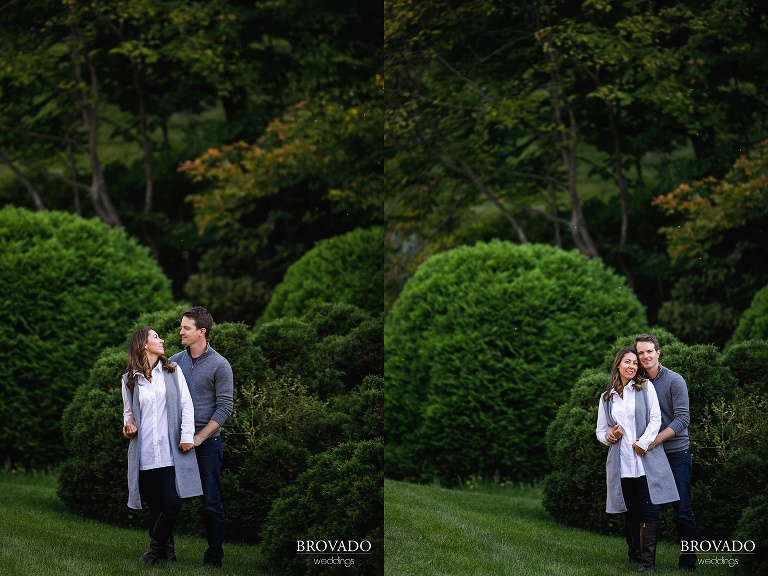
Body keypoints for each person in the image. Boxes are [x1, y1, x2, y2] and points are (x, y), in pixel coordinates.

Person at [121, 327, 203, 565]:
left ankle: (154, 551)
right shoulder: (128, 380)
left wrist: (187, 436)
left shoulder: (173, 371)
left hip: (170, 451)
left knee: (173, 502)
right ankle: (168, 555)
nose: (162, 339)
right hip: (146, 453)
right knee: (155, 506)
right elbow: (128, 415)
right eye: (156, 337)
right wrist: (129, 426)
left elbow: (186, 405)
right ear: (143, 345)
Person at [596, 347, 679, 572]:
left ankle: (648, 563)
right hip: (622, 465)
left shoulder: (645, 387)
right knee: (632, 512)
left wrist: (643, 443)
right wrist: (609, 436)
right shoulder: (607, 397)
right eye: (627, 362)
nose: (632, 366)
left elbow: (655, 419)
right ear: (618, 366)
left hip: (646, 461)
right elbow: (600, 431)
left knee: (650, 510)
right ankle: (640, 558)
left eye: (635, 362)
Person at [170, 306, 234, 569]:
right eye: (182, 326)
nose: (181, 331)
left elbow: (225, 407)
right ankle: (163, 552)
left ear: (201, 332)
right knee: (169, 500)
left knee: (211, 503)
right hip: (178, 442)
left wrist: (199, 437)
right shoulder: (174, 362)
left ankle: (213, 558)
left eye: (186, 327)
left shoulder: (220, 364)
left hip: (208, 444)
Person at [635, 332, 698, 572]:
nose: (645, 356)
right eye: (640, 352)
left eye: (649, 351)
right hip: (648, 455)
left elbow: (683, 418)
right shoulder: (637, 382)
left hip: (676, 454)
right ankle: (641, 559)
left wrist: (654, 440)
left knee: (682, 510)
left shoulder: (674, 380)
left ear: (658, 353)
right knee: (646, 510)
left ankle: (688, 562)